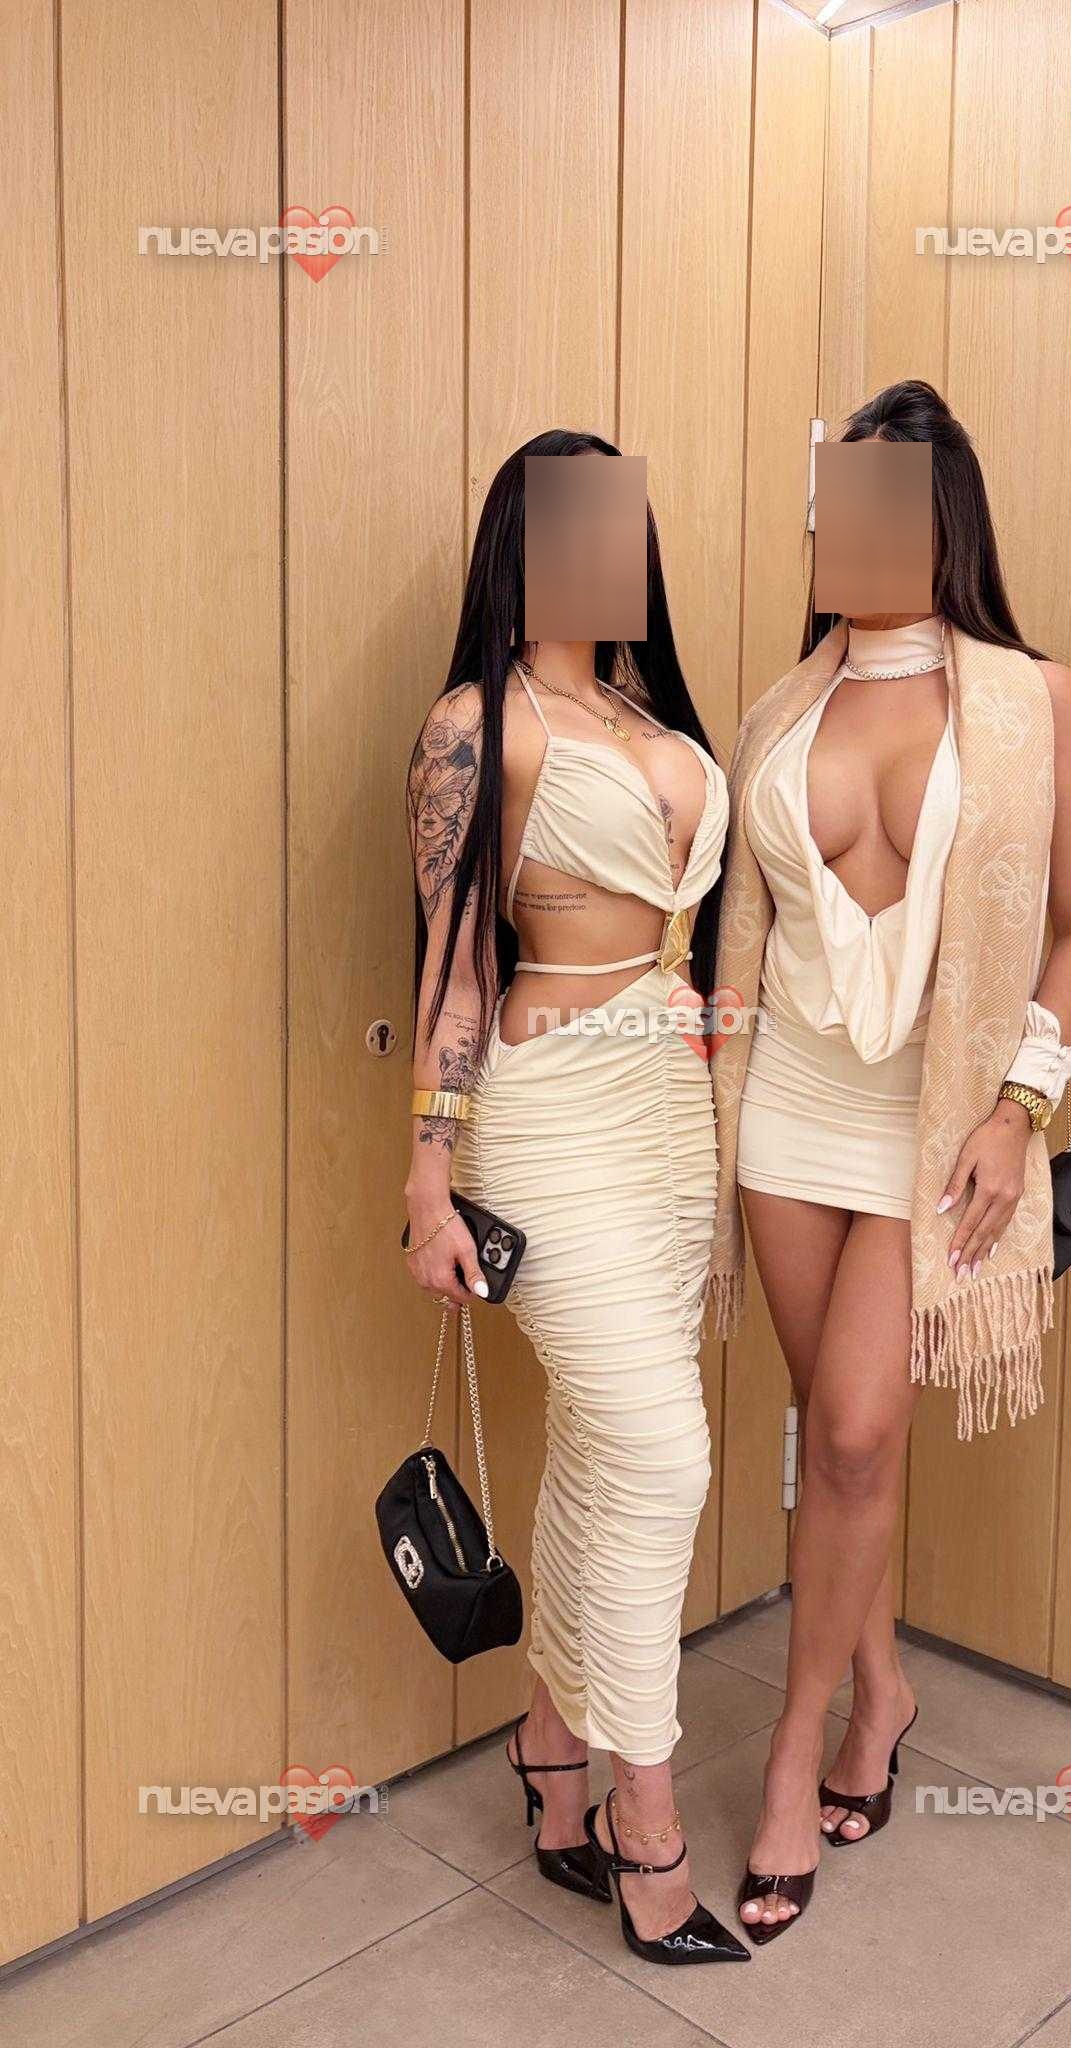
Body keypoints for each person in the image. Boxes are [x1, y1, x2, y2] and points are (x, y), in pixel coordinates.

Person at [704, 380, 1071, 1942]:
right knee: (839, 1443)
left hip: (934, 1124)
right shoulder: (777, 711)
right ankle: (881, 1687)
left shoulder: (1036, 701)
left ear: (941, 519)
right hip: (786, 1111)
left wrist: (1017, 1109)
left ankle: (792, 1753)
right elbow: (740, 924)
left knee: (857, 1434)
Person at [403, 429, 747, 1966]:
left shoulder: (650, 714)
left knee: (607, 1454)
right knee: (665, 1457)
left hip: (672, 1112)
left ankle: (550, 1751)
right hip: (546, 1113)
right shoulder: (479, 726)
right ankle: (644, 1826)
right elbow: (454, 957)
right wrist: (430, 1171)